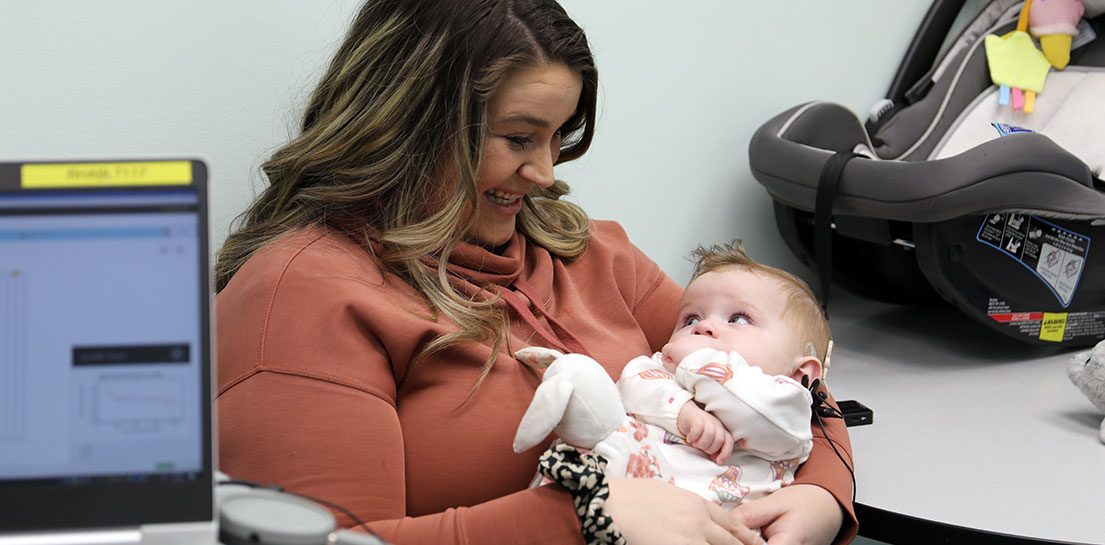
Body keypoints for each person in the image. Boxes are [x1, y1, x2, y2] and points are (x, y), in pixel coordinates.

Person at [214, 1, 856, 544]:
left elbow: (791, 373)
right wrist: (586, 517)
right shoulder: (301, 298)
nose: (547, 174)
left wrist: (825, 497)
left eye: (557, 137)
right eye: (519, 138)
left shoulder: (590, 252)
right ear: (410, 126)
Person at [615, 241, 832, 505]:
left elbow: (753, 412)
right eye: (690, 319)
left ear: (800, 374)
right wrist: (682, 410)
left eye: (738, 319)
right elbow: (631, 383)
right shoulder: (667, 370)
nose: (703, 326)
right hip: (620, 498)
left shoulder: (787, 405)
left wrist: (696, 362)